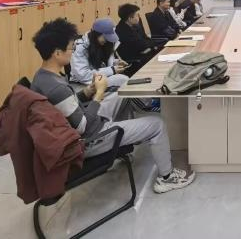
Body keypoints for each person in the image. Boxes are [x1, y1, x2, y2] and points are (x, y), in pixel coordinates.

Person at [30, 18, 195, 193]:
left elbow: (69, 106)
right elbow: (83, 127)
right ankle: (167, 178)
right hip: (89, 139)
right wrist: (99, 94)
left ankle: (124, 143)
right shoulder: (57, 88)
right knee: (157, 124)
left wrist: (88, 91)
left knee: (122, 92)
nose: (73, 52)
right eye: (71, 48)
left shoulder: (43, 77)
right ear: (57, 53)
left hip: (85, 123)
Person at [70, 18, 130, 87]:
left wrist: (116, 63)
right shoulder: (80, 47)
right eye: (105, 37)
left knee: (123, 81)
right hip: (83, 84)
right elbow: (83, 75)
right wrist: (112, 70)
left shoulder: (103, 44)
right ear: (96, 34)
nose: (107, 40)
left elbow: (102, 63)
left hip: (100, 79)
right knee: (123, 80)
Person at [115, 3, 164, 72]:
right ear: (130, 18)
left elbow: (145, 38)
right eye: (137, 15)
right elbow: (141, 45)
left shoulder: (134, 25)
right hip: (135, 60)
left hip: (143, 53)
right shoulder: (122, 30)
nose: (138, 17)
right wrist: (152, 44)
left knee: (160, 48)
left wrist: (152, 44)